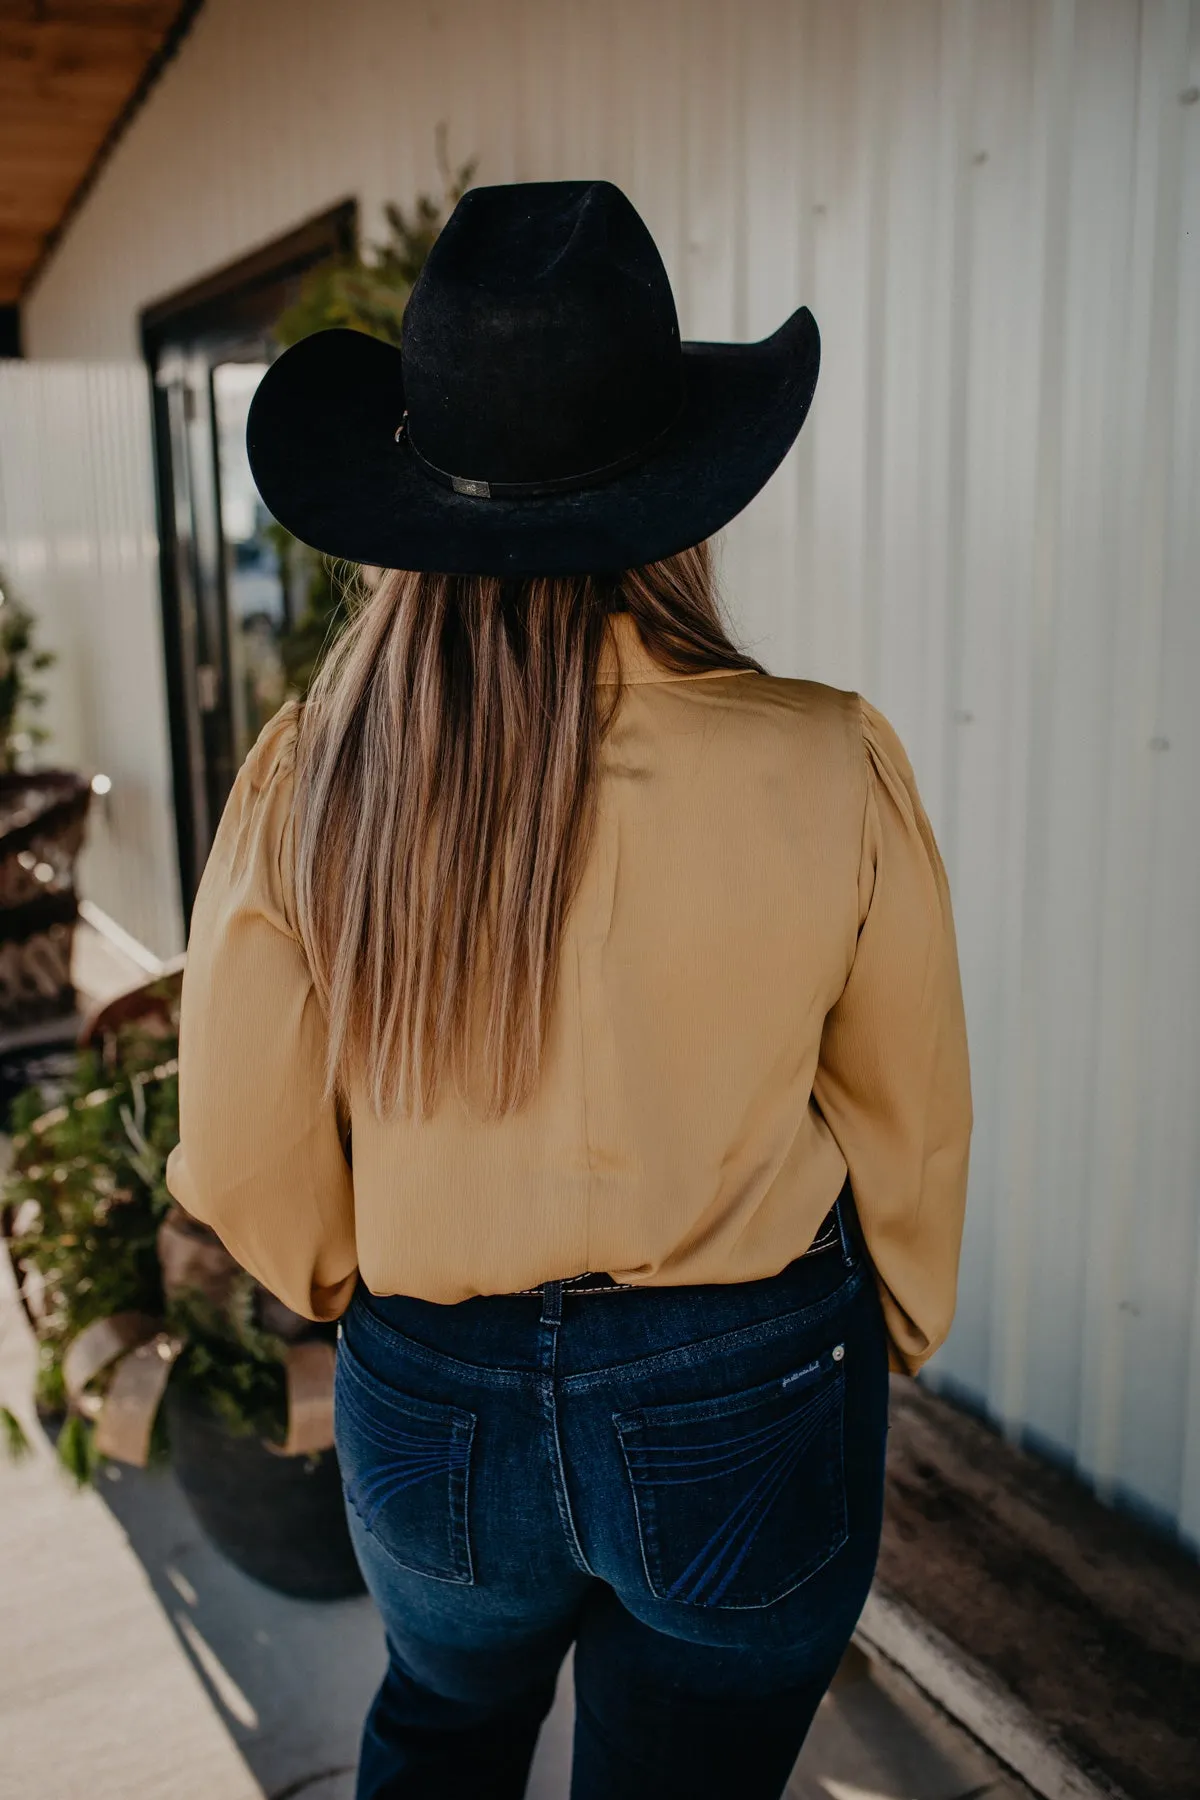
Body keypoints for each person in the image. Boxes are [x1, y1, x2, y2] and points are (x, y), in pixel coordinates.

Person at [167, 180, 972, 1800]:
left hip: (432, 1398)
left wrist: (360, 1290)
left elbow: (245, 1153)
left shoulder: (311, 780)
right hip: (745, 1382)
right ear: (684, 493)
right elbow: (908, 1119)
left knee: (443, 1733)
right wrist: (873, 1332)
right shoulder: (828, 759)